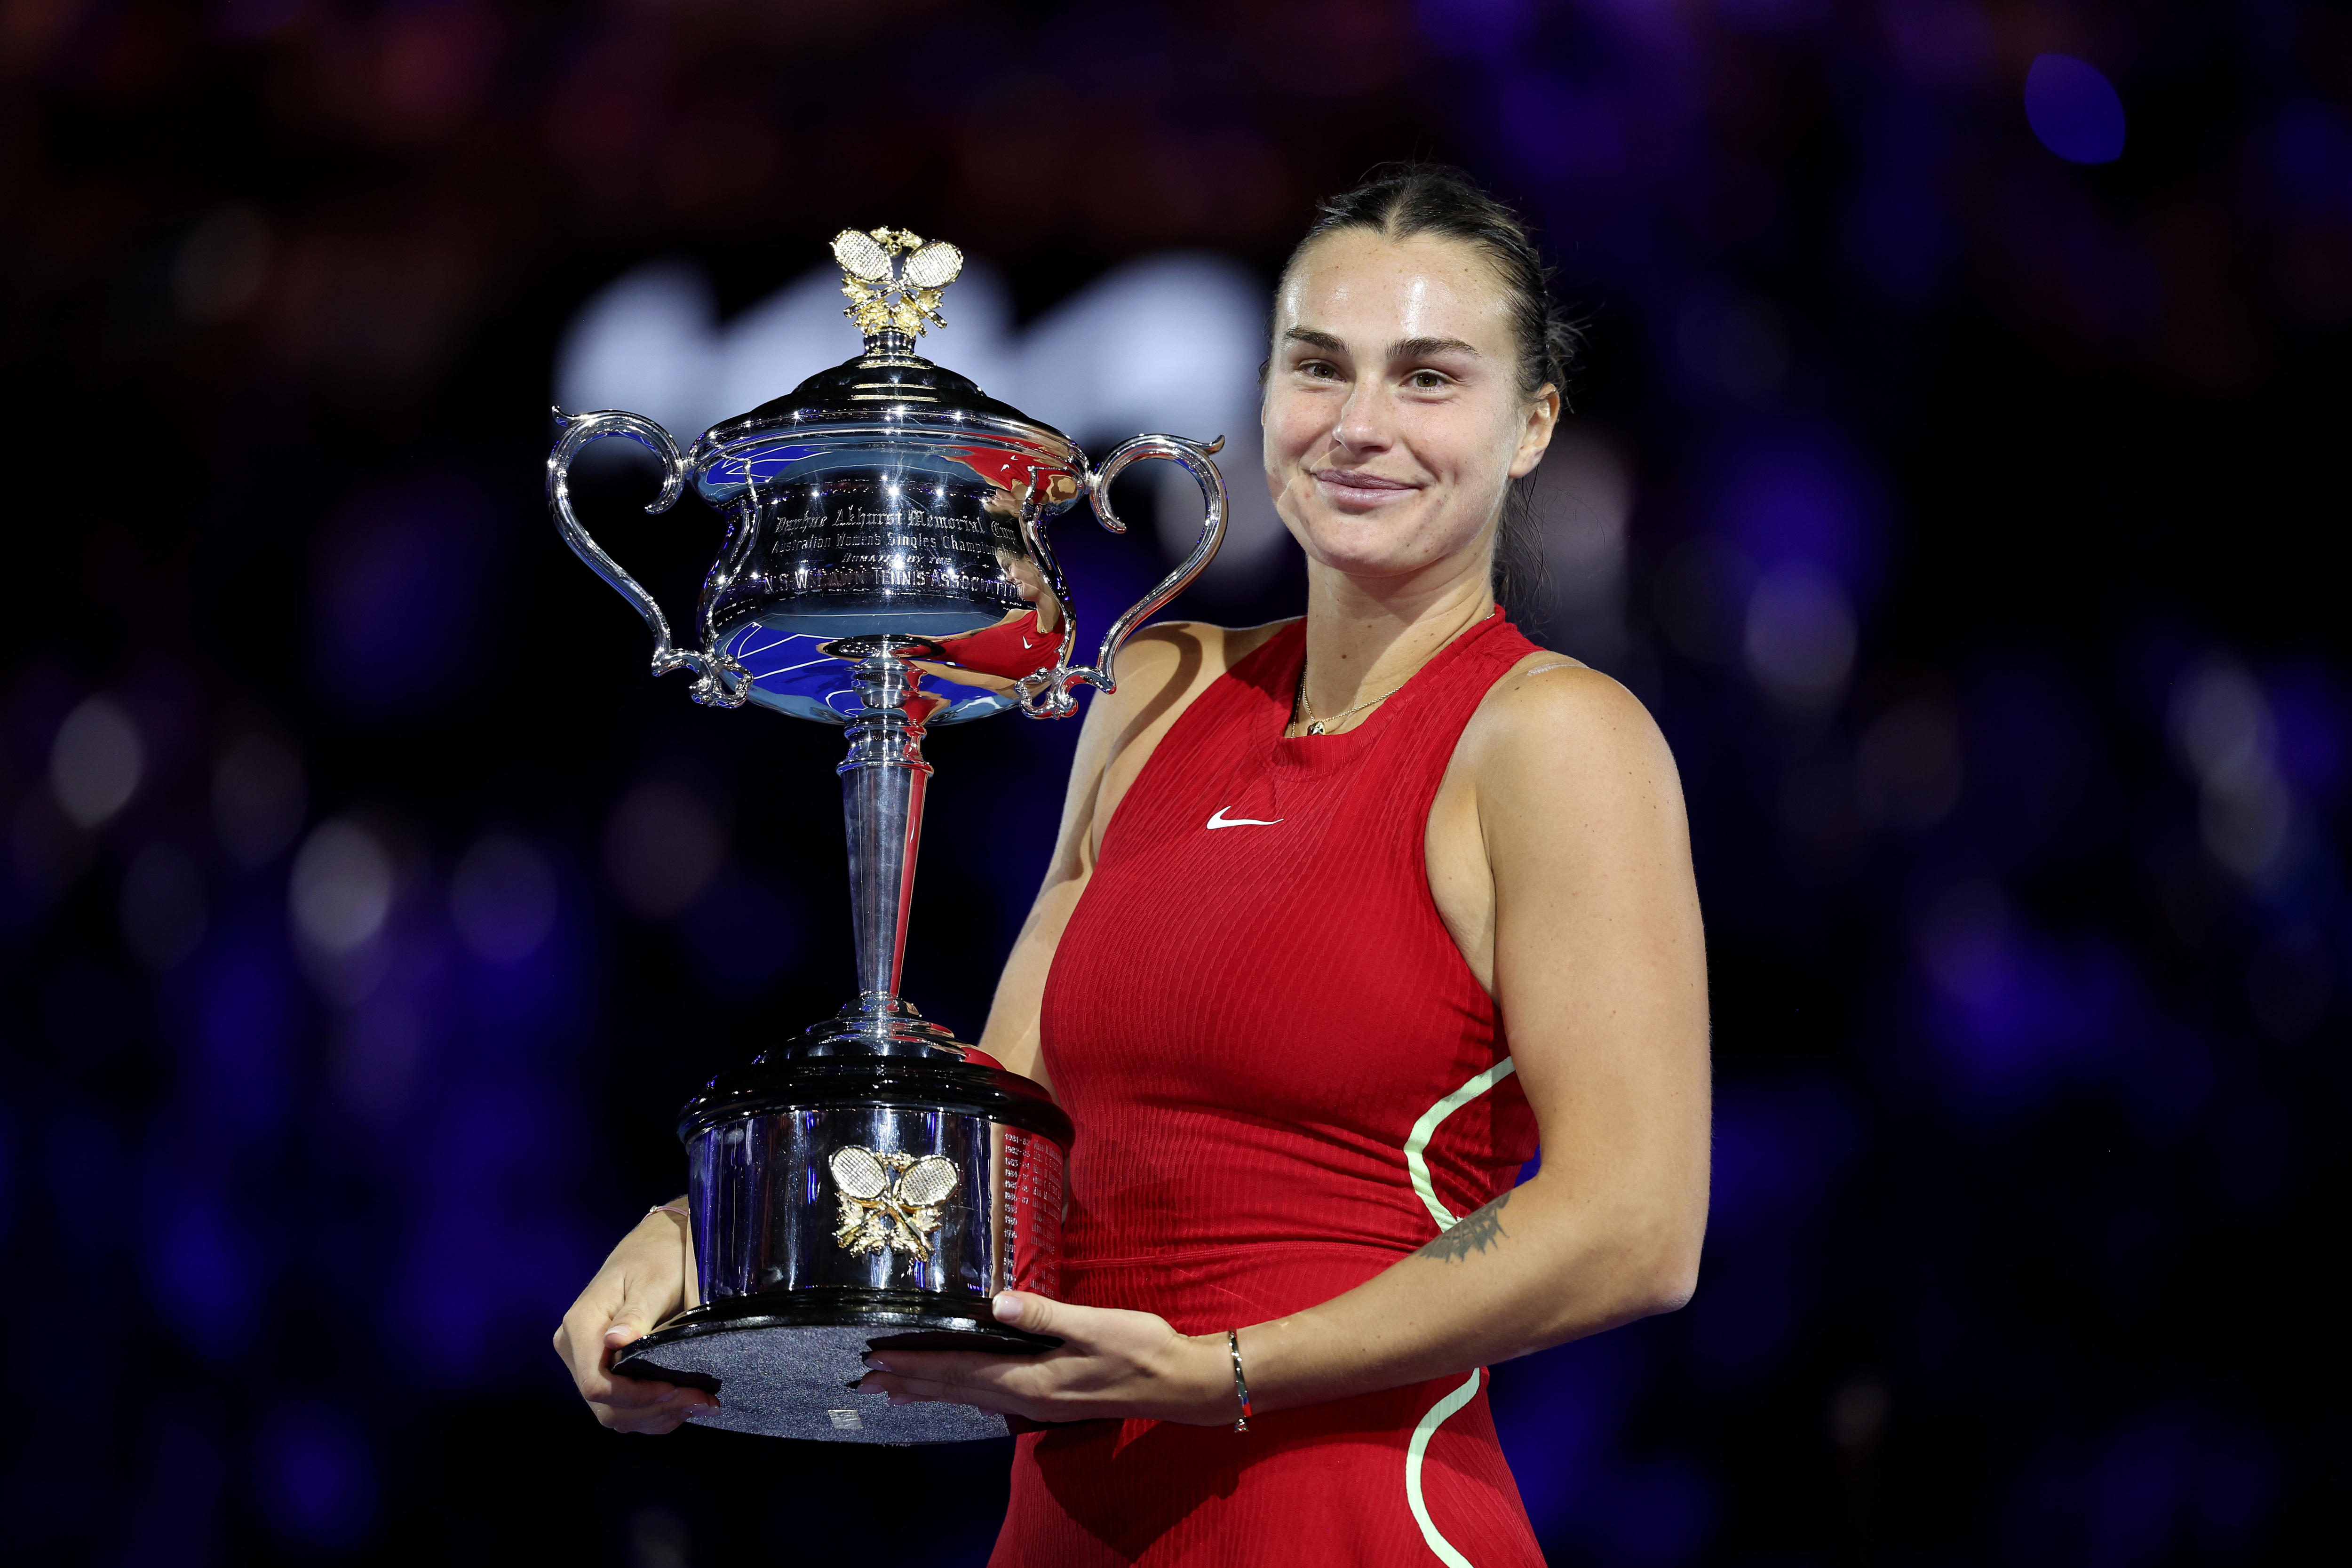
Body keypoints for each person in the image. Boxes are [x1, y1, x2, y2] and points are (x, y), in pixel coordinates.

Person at [554, 164, 1711, 1565]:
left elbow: (1636, 1225)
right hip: (1067, 1525)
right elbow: (995, 1154)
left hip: (1346, 1519)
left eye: (1428, 379)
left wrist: (1224, 1370)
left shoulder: (1552, 737)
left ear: (1531, 427)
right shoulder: (1154, 689)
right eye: (1318, 367)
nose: (1358, 426)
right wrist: (702, 1236)